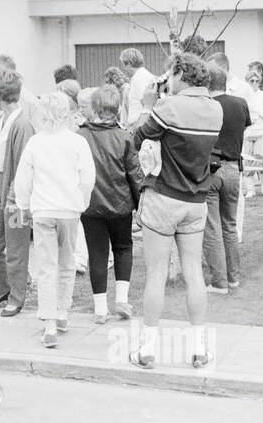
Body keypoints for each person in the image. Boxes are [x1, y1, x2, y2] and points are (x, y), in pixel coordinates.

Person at [129, 53, 223, 370]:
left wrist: (148, 104)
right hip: (196, 201)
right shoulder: (215, 109)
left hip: (164, 196)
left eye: (171, 74)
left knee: (156, 275)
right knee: (194, 273)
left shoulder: (167, 107)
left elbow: (137, 138)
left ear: (180, 73)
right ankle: (198, 350)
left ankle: (147, 351)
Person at [14, 92, 96, 347]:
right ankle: (62, 312)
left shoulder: (36, 143)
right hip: (69, 210)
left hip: (43, 210)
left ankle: (49, 323)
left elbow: (23, 179)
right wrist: (81, 202)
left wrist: (23, 205)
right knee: (67, 263)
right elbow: (87, 178)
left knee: (46, 267)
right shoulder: (77, 142)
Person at [78, 85, 142, 322]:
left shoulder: (80, 136)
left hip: (91, 204)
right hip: (120, 204)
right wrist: (139, 203)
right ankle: (122, 300)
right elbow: (134, 174)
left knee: (97, 253)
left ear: (94, 108)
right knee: (123, 248)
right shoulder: (125, 137)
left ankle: (100, 309)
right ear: (117, 109)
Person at [0, 69, 36, 317]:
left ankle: (17, 296)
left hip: (15, 190)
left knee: (16, 246)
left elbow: (25, 164)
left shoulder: (22, 124)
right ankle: (1, 288)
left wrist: (16, 197)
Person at [204, 66, 250, 294]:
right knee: (230, 226)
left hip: (211, 170)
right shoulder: (240, 103)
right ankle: (233, 278)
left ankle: (218, 281)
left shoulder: (206, 106)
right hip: (234, 167)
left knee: (212, 227)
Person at [241, 68, 263, 197]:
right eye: (251, 81)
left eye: (256, 81)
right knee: (247, 161)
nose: (254, 83)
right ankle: (250, 189)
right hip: (248, 132)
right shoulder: (243, 97)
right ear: (247, 82)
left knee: (260, 159)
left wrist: (258, 113)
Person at [119, 48, 157, 129]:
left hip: (139, 126)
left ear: (128, 64)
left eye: (124, 65)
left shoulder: (139, 78)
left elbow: (147, 103)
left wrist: (133, 128)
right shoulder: (143, 75)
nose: (124, 69)